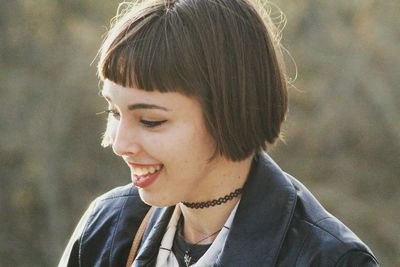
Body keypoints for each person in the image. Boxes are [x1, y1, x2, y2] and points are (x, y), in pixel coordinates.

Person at [59, 0, 379, 266]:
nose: (118, 143)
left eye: (151, 121)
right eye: (114, 112)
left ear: (229, 110)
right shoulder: (106, 227)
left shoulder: (329, 259)